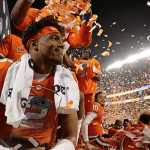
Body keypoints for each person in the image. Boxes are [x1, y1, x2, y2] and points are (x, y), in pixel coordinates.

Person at [0, 15, 79, 150]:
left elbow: (71, 135)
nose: (61, 44)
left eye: (61, 40)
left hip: (43, 146)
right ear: (34, 44)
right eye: (54, 38)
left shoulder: (67, 79)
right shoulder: (4, 70)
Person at [11, 0, 93, 49]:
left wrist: (87, 14)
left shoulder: (70, 23)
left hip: (54, 64)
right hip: (33, 60)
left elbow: (81, 41)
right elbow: (17, 20)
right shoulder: (38, 14)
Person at [74, 47, 101, 113]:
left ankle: (87, 123)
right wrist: (81, 70)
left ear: (90, 53)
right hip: (80, 90)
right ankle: (79, 122)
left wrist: (91, 74)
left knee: (89, 111)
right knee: (79, 110)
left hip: (90, 91)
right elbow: (73, 75)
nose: (85, 54)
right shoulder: (77, 62)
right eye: (83, 52)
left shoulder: (95, 63)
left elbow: (99, 77)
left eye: (87, 52)